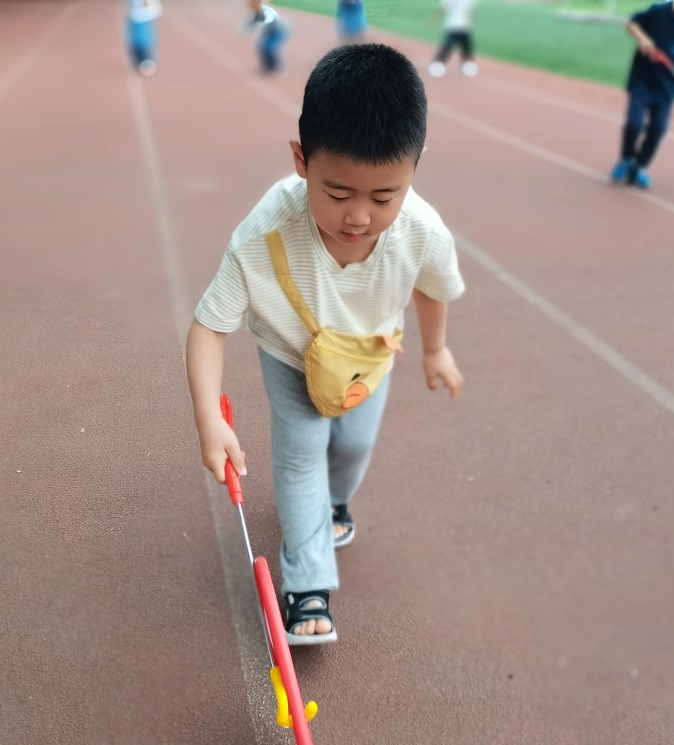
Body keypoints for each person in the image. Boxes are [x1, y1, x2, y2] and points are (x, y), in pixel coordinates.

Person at [186, 44, 466, 646]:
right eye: (337, 194)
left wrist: (434, 349)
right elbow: (209, 326)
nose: (359, 216)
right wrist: (209, 416)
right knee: (300, 456)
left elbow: (432, 287)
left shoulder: (422, 231)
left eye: (384, 197)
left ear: (415, 168)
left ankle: (335, 503)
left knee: (353, 444)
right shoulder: (264, 231)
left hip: (369, 355)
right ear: (301, 161)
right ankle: (308, 585)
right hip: (291, 352)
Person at [610, 0, 674, 190]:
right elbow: (632, 23)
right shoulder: (659, 11)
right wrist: (643, 39)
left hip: (667, 88)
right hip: (642, 80)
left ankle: (640, 167)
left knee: (658, 129)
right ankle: (626, 159)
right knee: (634, 124)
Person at [427, 0, 478, 78]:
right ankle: (438, 65)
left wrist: (433, 20)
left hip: (456, 27)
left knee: (458, 48)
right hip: (459, 27)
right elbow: (472, 12)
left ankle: (467, 66)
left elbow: (440, 9)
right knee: (451, 48)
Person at [245, 0, 289, 75]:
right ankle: (267, 66)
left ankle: (276, 67)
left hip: (280, 30)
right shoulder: (258, 11)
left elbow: (264, 21)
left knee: (269, 48)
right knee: (261, 47)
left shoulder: (266, 10)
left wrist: (254, 26)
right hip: (270, 30)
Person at [125, 0, 162, 76]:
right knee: (138, 39)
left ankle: (145, 59)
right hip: (138, 13)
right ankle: (142, 59)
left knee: (141, 39)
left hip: (142, 13)